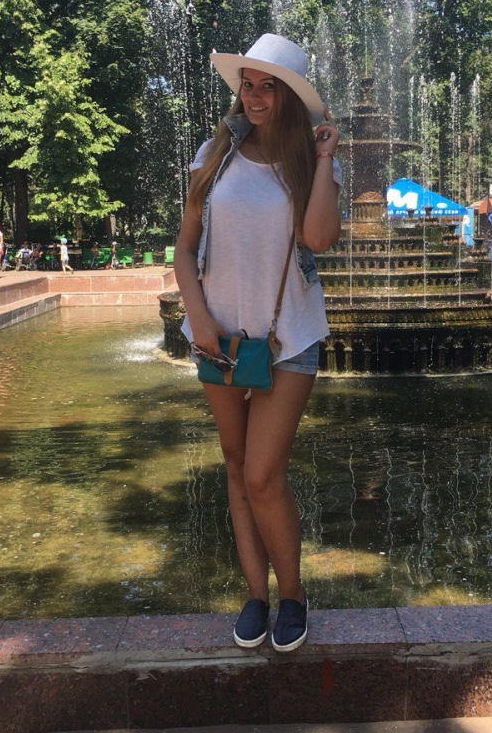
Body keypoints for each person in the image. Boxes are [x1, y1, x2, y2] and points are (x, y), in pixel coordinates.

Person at [173, 33, 342, 653]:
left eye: (269, 86)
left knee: (264, 474)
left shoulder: (311, 165)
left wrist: (323, 159)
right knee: (236, 466)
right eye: (248, 84)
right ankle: (255, 595)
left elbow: (319, 239)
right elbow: (184, 248)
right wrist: (199, 320)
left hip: (288, 337)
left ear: (291, 96)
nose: (255, 97)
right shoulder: (214, 154)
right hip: (217, 338)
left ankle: (292, 595)